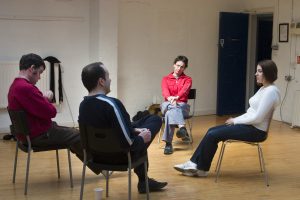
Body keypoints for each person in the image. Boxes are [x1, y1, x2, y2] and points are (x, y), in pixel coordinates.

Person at [174, 59, 281, 177]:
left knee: (212, 135)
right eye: (257, 71)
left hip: (256, 131)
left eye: (259, 71)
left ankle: (199, 168)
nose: (256, 74)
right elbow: (251, 113)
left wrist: (235, 121)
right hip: (250, 126)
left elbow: (258, 118)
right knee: (211, 131)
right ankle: (195, 165)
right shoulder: (264, 88)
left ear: (268, 73)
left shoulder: (271, 91)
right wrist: (236, 119)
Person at [78, 62, 168, 193]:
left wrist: (134, 130)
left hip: (95, 157)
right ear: (101, 81)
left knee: (149, 119)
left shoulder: (83, 105)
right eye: (108, 76)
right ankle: (144, 181)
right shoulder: (111, 104)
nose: (110, 79)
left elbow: (102, 132)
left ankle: (144, 180)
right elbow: (128, 143)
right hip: (122, 156)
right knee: (155, 121)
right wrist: (141, 139)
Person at [7, 53, 100, 174]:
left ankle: (96, 165)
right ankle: (100, 165)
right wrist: (47, 98)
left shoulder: (14, 86)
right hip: (39, 135)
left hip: (27, 135)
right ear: (32, 69)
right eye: (39, 72)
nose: (39, 77)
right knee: (78, 136)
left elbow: (35, 109)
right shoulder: (26, 88)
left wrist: (43, 99)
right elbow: (51, 112)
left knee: (71, 134)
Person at [161, 55, 192, 154]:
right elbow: (165, 91)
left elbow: (185, 90)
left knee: (170, 114)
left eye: (182, 67)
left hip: (182, 106)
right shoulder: (165, 79)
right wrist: (170, 98)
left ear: (185, 68)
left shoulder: (188, 79)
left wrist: (176, 97)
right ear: (174, 65)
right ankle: (182, 128)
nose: (179, 68)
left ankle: (168, 144)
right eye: (177, 65)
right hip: (167, 104)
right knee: (172, 107)